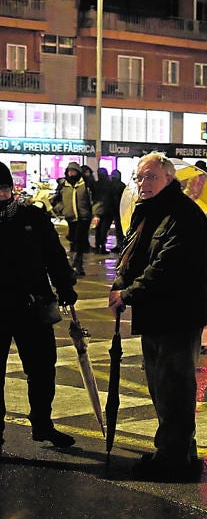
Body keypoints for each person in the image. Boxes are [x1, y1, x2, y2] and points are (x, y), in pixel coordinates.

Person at [108, 152, 207, 481]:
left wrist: (127, 294)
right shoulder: (148, 213)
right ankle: (179, 448)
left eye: (151, 177)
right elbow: (134, 255)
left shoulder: (183, 215)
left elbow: (166, 268)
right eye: (139, 177)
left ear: (169, 179)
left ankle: (173, 458)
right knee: (162, 386)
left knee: (173, 387)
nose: (143, 183)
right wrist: (121, 281)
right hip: (157, 315)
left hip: (177, 316)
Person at [0, 160, 78, 450]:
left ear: (11, 189)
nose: (1, 195)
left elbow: (54, 254)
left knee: (43, 368)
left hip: (31, 304)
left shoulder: (31, 216)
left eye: (4, 190)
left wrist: (65, 284)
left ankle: (43, 425)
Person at [53, 161, 93, 276]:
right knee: (73, 240)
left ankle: (77, 264)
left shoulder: (85, 183)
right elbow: (57, 199)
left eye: (74, 171)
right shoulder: (63, 184)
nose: (71, 173)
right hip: (70, 217)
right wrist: (61, 209)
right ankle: (75, 264)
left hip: (83, 217)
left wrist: (94, 214)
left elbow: (93, 199)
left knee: (79, 240)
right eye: (69, 171)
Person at [92, 167, 121, 253]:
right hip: (108, 209)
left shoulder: (96, 184)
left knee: (98, 228)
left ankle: (97, 246)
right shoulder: (111, 184)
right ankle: (102, 246)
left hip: (98, 208)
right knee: (104, 228)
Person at [104, 169, 126, 252]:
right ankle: (121, 245)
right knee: (119, 229)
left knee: (112, 229)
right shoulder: (122, 185)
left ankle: (119, 245)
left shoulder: (109, 185)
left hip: (111, 209)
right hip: (119, 210)